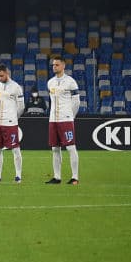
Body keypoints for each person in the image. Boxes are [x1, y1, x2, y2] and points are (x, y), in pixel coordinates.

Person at [45, 55, 80, 185]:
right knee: (55, 148)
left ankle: (75, 177)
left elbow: (76, 102)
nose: (54, 67)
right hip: (53, 119)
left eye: (57, 65)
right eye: (53, 65)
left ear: (63, 66)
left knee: (70, 147)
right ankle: (57, 177)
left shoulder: (70, 82)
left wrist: (71, 116)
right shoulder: (50, 82)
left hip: (65, 119)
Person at [0, 63, 25, 183]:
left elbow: (21, 107)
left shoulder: (16, 87)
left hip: (10, 123)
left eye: (1, 76)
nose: (0, 78)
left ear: (7, 73)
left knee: (15, 149)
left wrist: (13, 118)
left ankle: (18, 176)